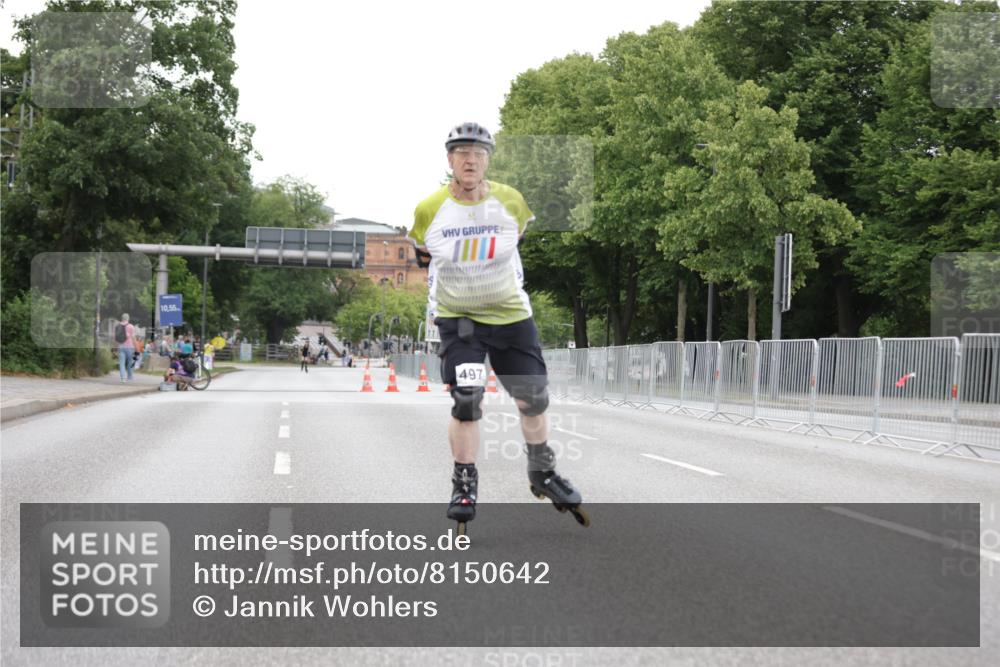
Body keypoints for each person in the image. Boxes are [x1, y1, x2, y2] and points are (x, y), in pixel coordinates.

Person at [409, 122, 587, 530]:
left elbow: (515, 242)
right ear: (449, 159)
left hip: (511, 318)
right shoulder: (428, 210)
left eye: (478, 153)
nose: (470, 160)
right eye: (462, 153)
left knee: (533, 400)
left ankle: (541, 471)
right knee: (467, 401)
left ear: (488, 159)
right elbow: (424, 256)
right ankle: (464, 483)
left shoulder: (511, 202)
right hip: (461, 323)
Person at [114, 313, 136, 382]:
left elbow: (115, 338)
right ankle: (129, 377)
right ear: (128, 318)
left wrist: (116, 347)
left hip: (121, 346)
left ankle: (123, 378)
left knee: (122, 363)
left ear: (122, 318)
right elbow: (133, 338)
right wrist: (136, 347)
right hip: (130, 346)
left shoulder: (117, 326)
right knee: (130, 362)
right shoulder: (131, 326)